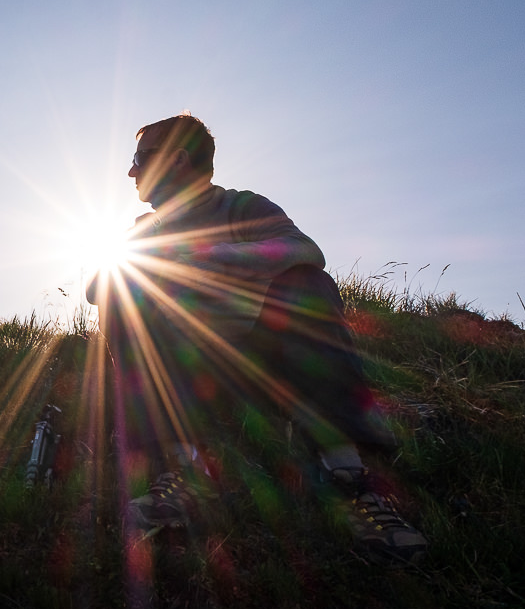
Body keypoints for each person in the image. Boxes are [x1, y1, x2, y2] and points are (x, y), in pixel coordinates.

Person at [85, 113, 428, 563]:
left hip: (267, 360)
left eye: (138, 158)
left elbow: (307, 251)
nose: (131, 171)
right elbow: (95, 288)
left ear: (177, 159)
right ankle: (183, 472)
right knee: (119, 291)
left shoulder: (242, 206)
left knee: (308, 283)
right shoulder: (143, 229)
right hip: (191, 371)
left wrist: (209, 255)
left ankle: (348, 477)